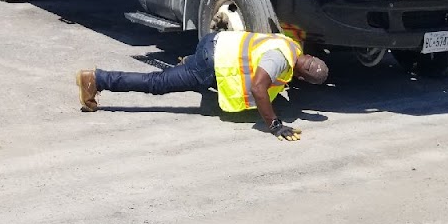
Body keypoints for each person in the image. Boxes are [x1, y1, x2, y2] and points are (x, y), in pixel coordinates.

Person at [77, 30, 328, 141]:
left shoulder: (292, 46)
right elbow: (258, 88)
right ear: (303, 77)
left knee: (183, 73)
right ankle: (96, 79)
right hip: (213, 62)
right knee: (157, 83)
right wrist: (274, 125)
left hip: (216, 41)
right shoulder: (280, 59)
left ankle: (189, 65)